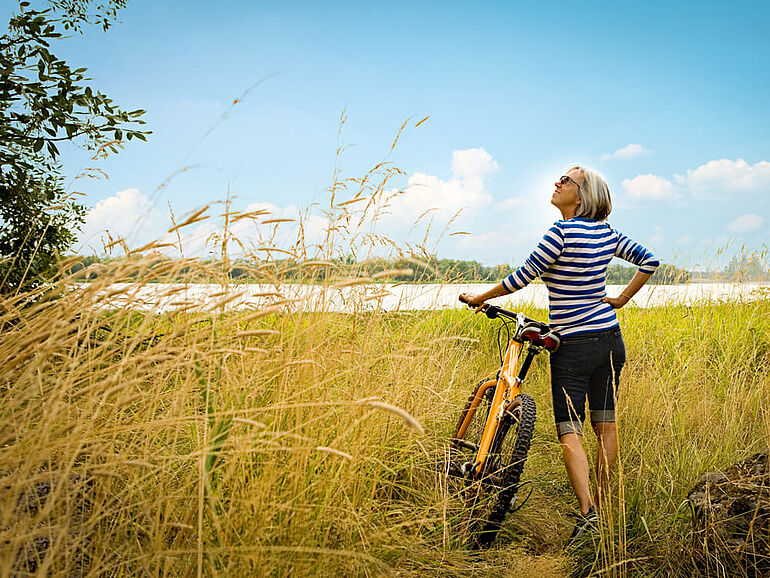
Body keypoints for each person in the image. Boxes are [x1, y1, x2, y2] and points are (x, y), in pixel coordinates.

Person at [459, 166, 658, 545]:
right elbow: (649, 261)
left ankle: (587, 514)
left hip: (574, 346)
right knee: (606, 426)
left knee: (570, 429)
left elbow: (522, 277)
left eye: (566, 181)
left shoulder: (562, 232)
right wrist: (619, 300)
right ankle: (601, 504)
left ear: (581, 196)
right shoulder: (608, 233)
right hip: (610, 339)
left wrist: (479, 297)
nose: (557, 183)